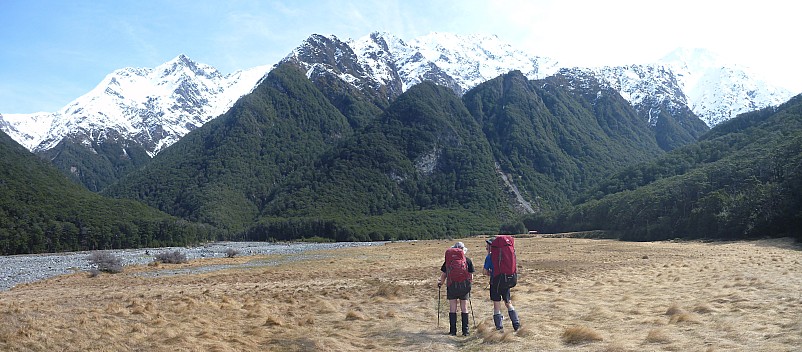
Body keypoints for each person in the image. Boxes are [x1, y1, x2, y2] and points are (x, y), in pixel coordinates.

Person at [483, 237, 521, 331]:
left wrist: (490, 272)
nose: (486, 247)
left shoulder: (490, 257)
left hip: (495, 281)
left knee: (496, 305)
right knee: (508, 302)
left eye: (487, 246)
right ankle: (516, 324)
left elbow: (484, 272)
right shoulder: (506, 255)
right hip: (506, 280)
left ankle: (499, 328)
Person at [437, 242, 474, 336]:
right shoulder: (468, 260)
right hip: (464, 287)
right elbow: (471, 276)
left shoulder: (448, 261)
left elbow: (444, 275)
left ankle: (453, 331)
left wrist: (440, 283)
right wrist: (468, 285)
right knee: (464, 307)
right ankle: (465, 331)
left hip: (452, 285)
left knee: (452, 308)